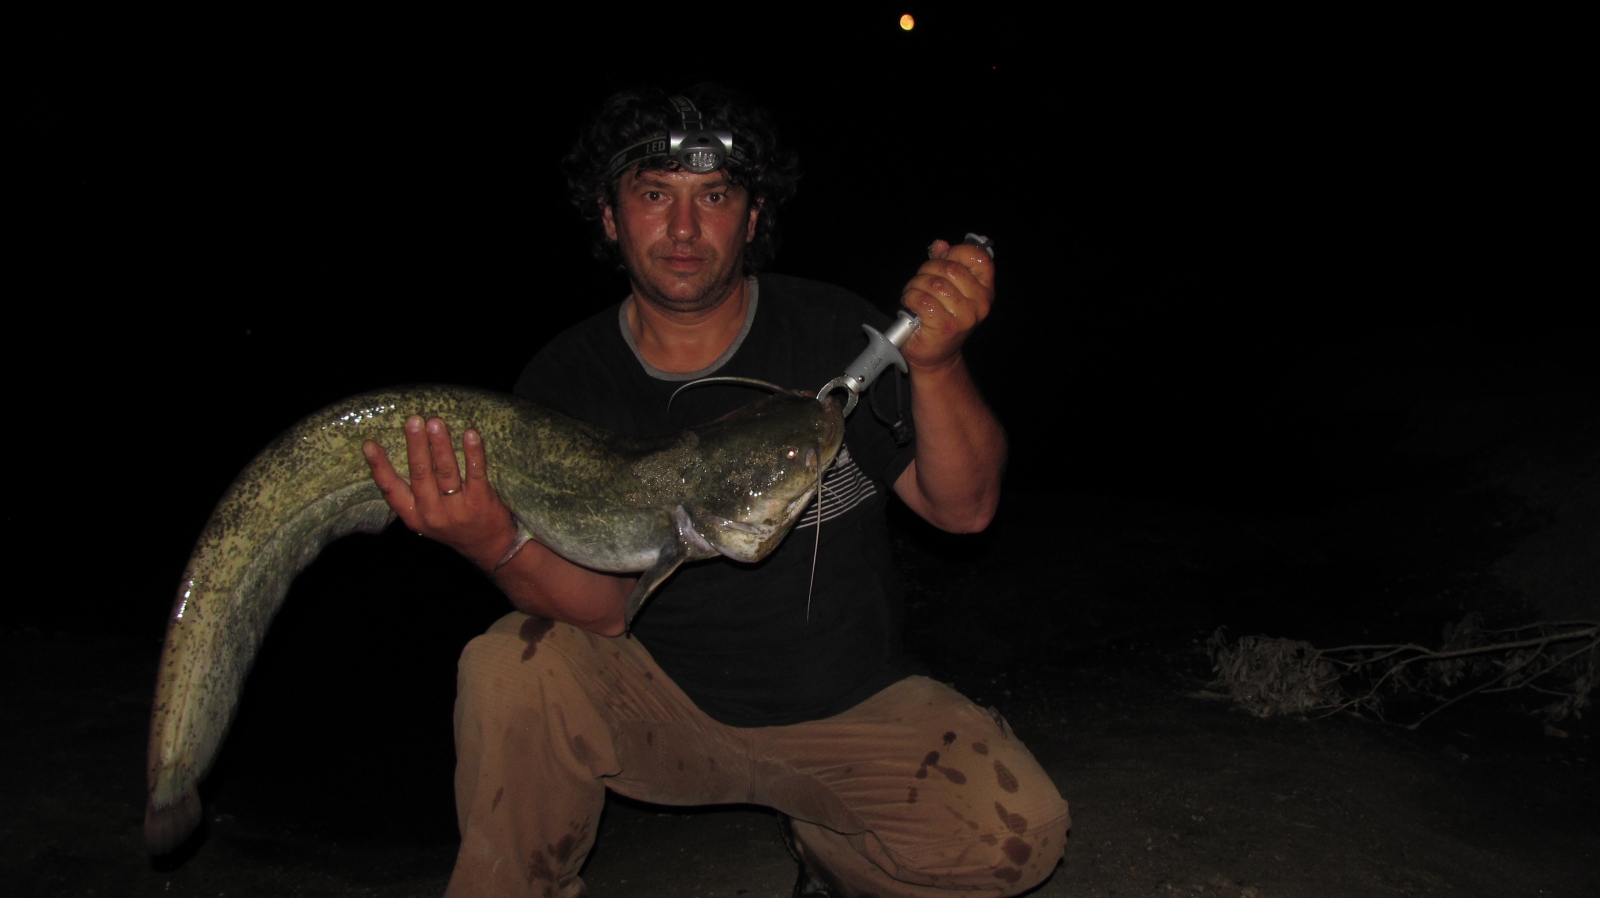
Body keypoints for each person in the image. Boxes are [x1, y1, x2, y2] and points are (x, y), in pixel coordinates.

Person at [363, 84, 1069, 898]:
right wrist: (492, 540)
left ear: (753, 215)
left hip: (849, 705)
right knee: (509, 662)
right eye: (654, 195)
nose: (684, 229)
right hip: (660, 712)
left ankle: (831, 849)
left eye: (715, 197)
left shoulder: (832, 329)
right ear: (610, 217)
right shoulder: (565, 381)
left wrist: (937, 365)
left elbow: (965, 509)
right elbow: (602, 609)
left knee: (1017, 838)